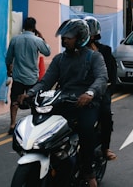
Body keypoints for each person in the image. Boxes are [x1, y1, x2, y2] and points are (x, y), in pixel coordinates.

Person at [22, 19, 107, 187]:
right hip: (62, 101)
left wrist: (90, 93)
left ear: (80, 37)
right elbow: (46, 81)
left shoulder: (94, 57)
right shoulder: (59, 59)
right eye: (63, 37)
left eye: (69, 37)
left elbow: (101, 78)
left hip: (86, 103)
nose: (64, 40)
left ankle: (88, 171)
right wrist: (30, 93)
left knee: (85, 129)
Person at [5, 17, 51, 135]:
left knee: (14, 101)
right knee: (33, 102)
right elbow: (47, 52)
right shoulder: (37, 40)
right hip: (32, 77)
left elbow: (9, 58)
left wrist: (8, 70)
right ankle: (33, 124)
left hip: (18, 76)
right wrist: (42, 37)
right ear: (34, 27)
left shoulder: (15, 39)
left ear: (23, 26)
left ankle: (12, 124)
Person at [84, 16, 118, 161]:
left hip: (100, 91)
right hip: (78, 92)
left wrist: (106, 90)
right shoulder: (73, 52)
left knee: (105, 115)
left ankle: (105, 148)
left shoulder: (104, 51)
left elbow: (110, 74)